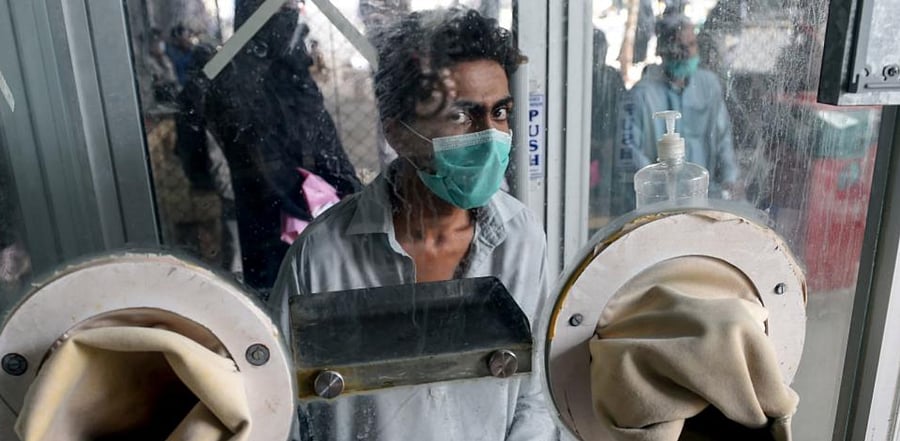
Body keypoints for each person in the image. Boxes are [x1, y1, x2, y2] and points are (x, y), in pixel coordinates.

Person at [270, 8, 558, 440]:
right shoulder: (322, 257)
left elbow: (535, 396)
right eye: (461, 116)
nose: (490, 136)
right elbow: (280, 410)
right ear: (399, 133)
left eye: (500, 112)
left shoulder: (520, 238)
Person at [176, 0, 361, 293]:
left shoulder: (284, 67)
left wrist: (348, 188)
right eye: (283, 4)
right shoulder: (235, 71)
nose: (294, 10)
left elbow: (321, 137)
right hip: (274, 214)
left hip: (297, 213)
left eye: (294, 4)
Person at [616, 13, 740, 213]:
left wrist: (730, 179)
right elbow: (630, 153)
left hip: (703, 199)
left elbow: (723, 139)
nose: (686, 53)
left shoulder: (708, 86)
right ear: (662, 50)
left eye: (691, 45)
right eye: (678, 46)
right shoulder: (642, 95)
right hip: (658, 206)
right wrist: (659, 190)